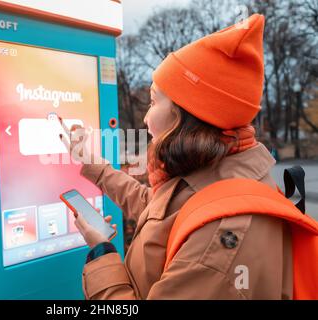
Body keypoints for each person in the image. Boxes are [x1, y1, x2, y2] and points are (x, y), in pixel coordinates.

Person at [60, 14, 294, 299]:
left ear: (188, 115)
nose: (146, 117)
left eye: (153, 100)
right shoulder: (216, 173)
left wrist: (102, 254)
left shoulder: (223, 234)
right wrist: (93, 165)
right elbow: (160, 210)